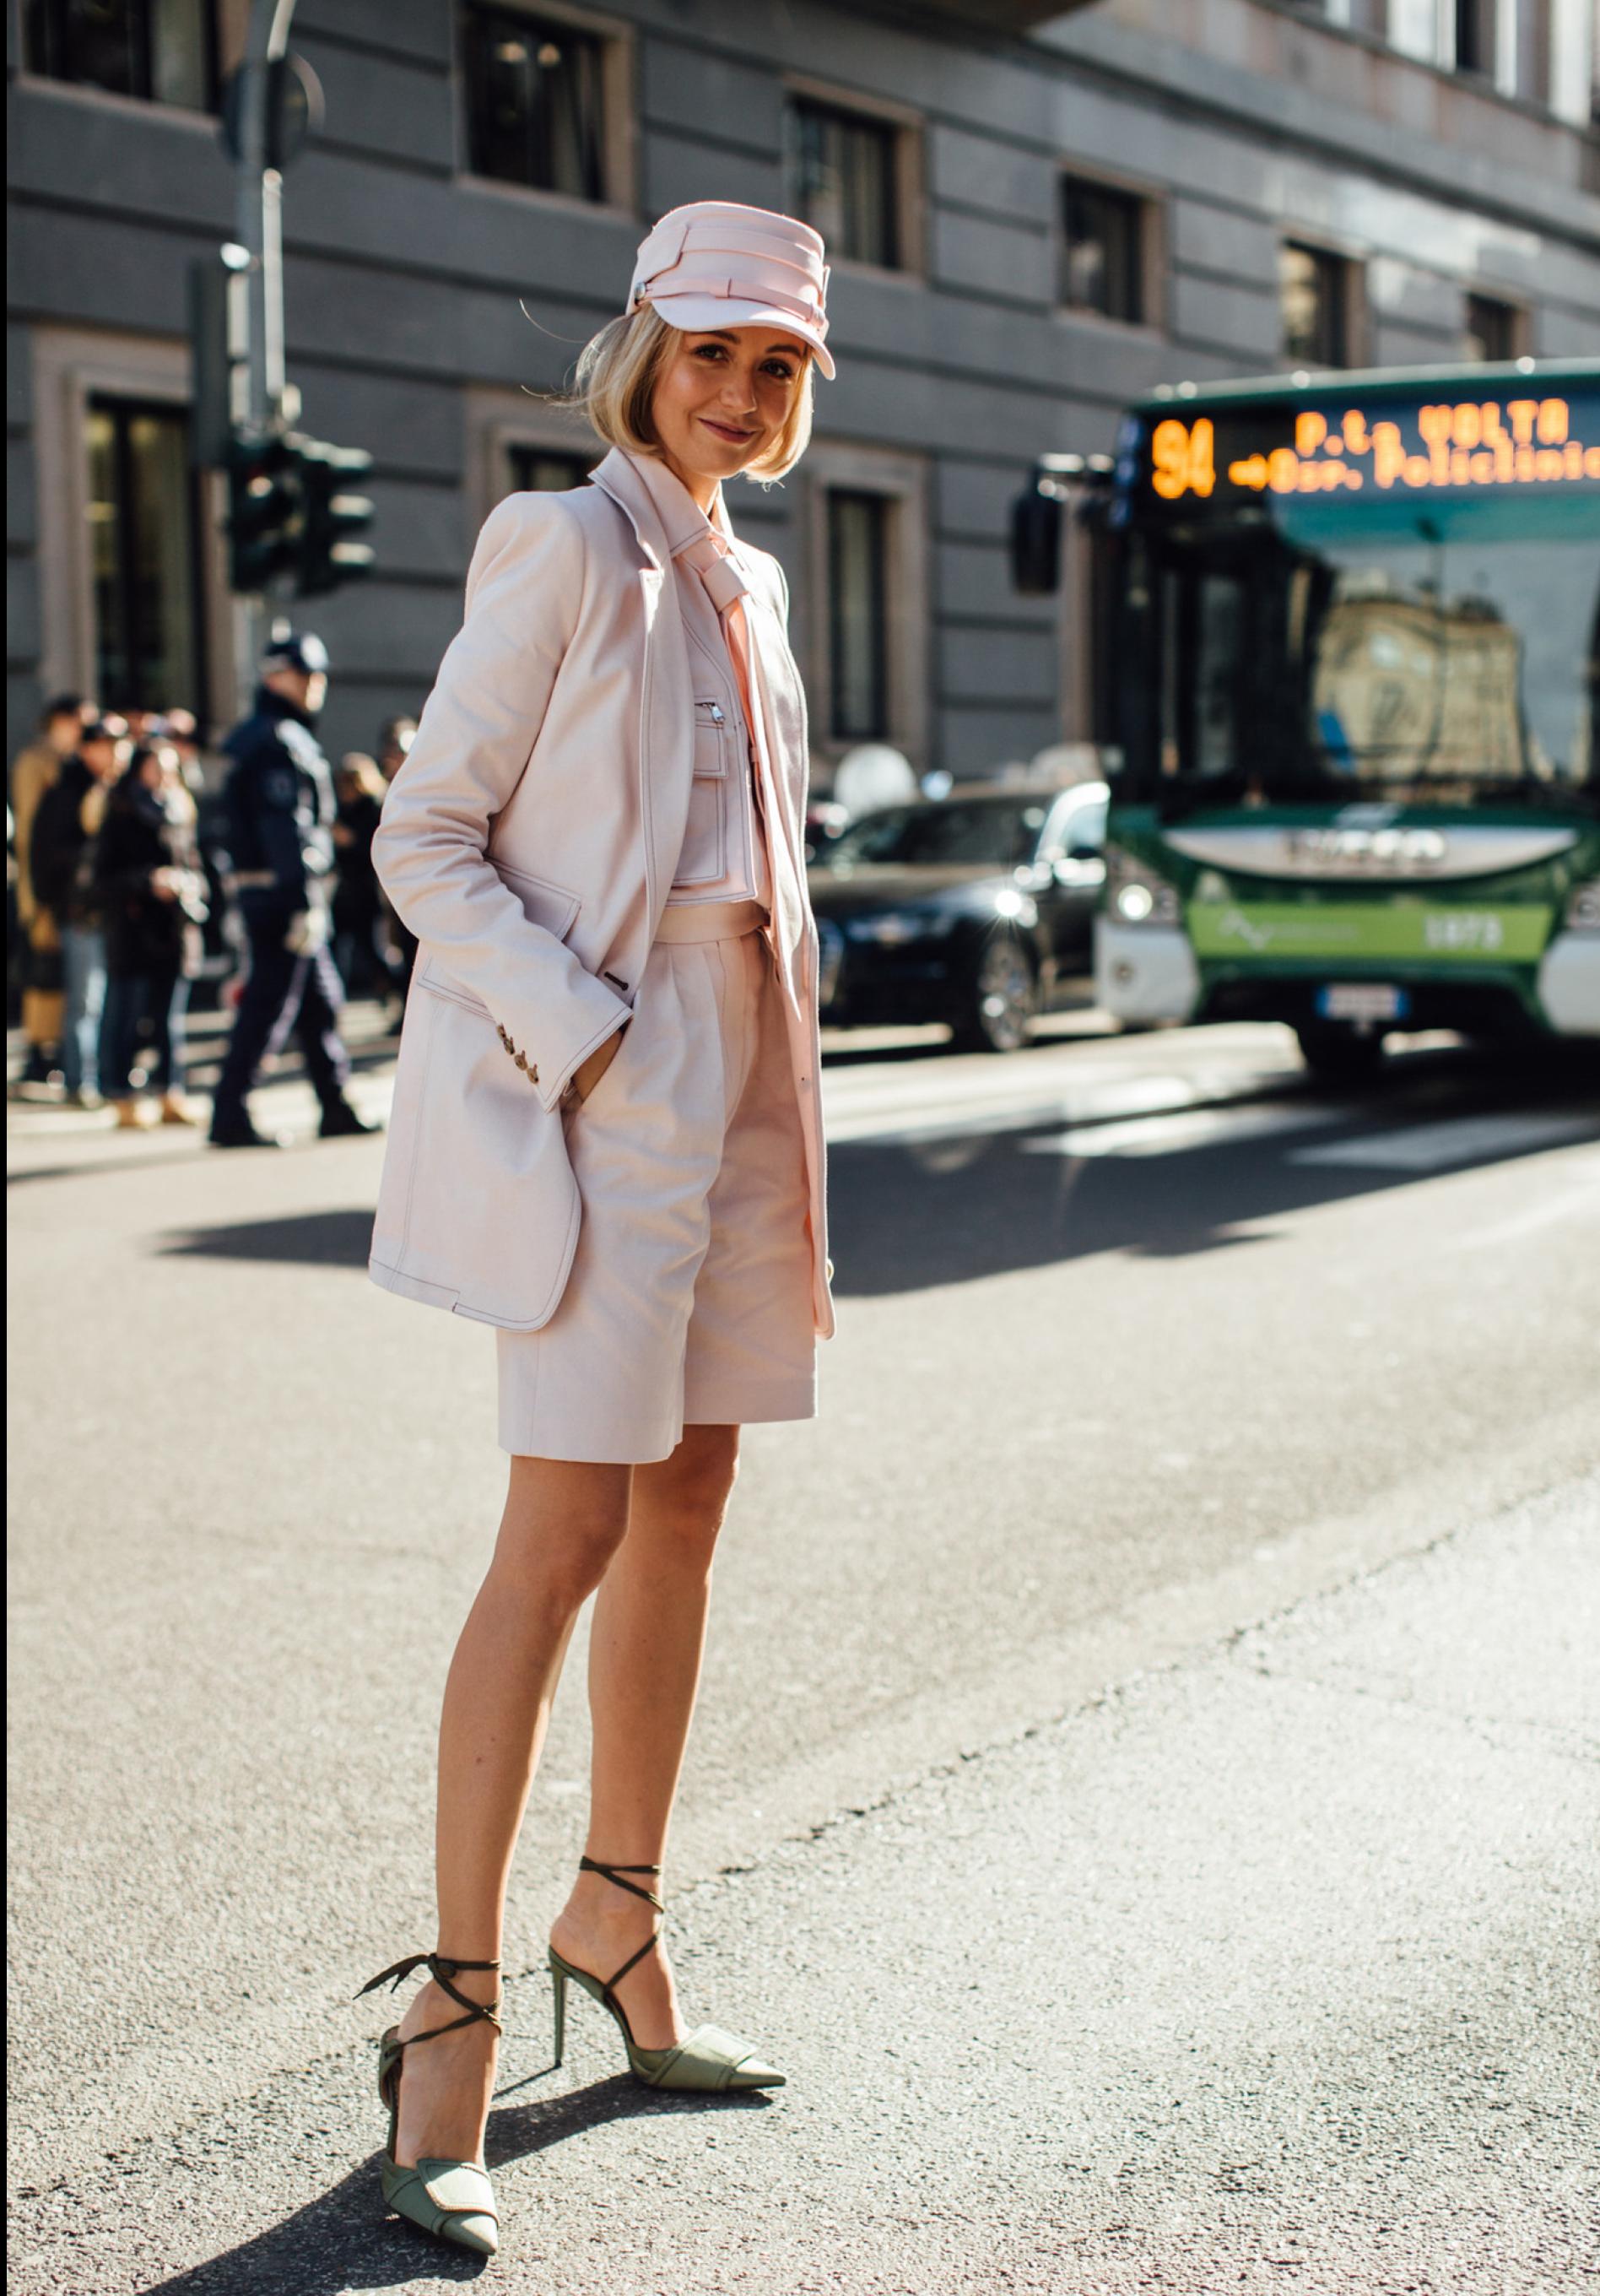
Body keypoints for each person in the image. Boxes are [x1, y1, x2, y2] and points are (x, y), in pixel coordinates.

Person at [353, 201, 837, 2260]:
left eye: (777, 367)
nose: (736, 391)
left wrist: (744, 1045)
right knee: (553, 1532)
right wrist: (581, 1022)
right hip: (609, 1072)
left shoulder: (760, 576)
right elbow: (423, 835)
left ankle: (615, 1924)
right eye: (710, 350)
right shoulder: (561, 547)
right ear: (640, 344)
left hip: (745, 1081)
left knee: (693, 1500)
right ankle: (448, 2024)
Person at [208, 632, 377, 1149]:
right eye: (305, 674)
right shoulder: (278, 741)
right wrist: (303, 902)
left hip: (287, 894)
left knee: (318, 1002)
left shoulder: (268, 736)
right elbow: (285, 830)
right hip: (284, 897)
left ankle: (334, 1105)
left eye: (318, 674)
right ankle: (230, 1114)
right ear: (275, 677)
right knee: (266, 1006)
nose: (316, 684)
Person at [94, 739, 209, 1128]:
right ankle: (122, 1096)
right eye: (155, 766)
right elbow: (99, 879)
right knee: (127, 1016)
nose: (163, 775)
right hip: (133, 929)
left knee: (168, 1019)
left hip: (175, 929)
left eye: (169, 767)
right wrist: (148, 881)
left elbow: (196, 864)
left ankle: (169, 1093)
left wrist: (190, 884)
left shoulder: (180, 810)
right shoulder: (121, 812)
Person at [30, 715, 127, 1106]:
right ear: (87, 748)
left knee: (110, 997)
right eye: (107, 745)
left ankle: (104, 1075)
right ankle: (80, 1078)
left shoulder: (116, 788)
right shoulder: (68, 791)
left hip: (111, 905)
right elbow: (48, 854)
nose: (116, 754)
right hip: (79, 908)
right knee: (85, 997)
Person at [9, 695, 88, 1088]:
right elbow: (29, 831)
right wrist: (34, 892)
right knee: (43, 969)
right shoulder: (36, 761)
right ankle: (39, 1051)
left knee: (62, 974)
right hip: (41, 883)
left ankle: (54, 1050)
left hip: (65, 884)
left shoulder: (73, 761)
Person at [331, 751, 398, 1002]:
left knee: (374, 949)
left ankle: (395, 988)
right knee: (338, 946)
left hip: (368, 889)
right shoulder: (344, 809)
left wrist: (351, 840)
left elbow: (377, 848)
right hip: (346, 888)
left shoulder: (373, 808)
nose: (345, 789)